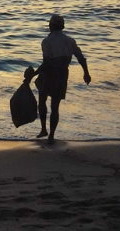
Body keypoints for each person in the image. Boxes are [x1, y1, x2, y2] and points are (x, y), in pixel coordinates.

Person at [24, 14, 91, 144]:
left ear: (50, 26)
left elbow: (47, 63)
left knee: (42, 100)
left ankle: (43, 129)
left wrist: (33, 75)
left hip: (49, 74)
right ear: (62, 27)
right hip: (62, 74)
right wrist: (86, 73)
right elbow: (81, 58)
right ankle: (51, 136)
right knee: (55, 107)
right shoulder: (70, 41)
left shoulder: (47, 41)